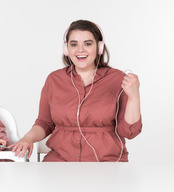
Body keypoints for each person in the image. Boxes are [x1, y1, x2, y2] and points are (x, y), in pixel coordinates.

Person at [10, 20, 142, 162]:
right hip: (60, 161)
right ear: (66, 49)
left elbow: (129, 132)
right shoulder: (54, 79)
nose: (80, 50)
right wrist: (27, 138)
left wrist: (134, 97)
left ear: (99, 47)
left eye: (88, 43)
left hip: (106, 163)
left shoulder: (118, 79)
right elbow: (45, 122)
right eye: (74, 44)